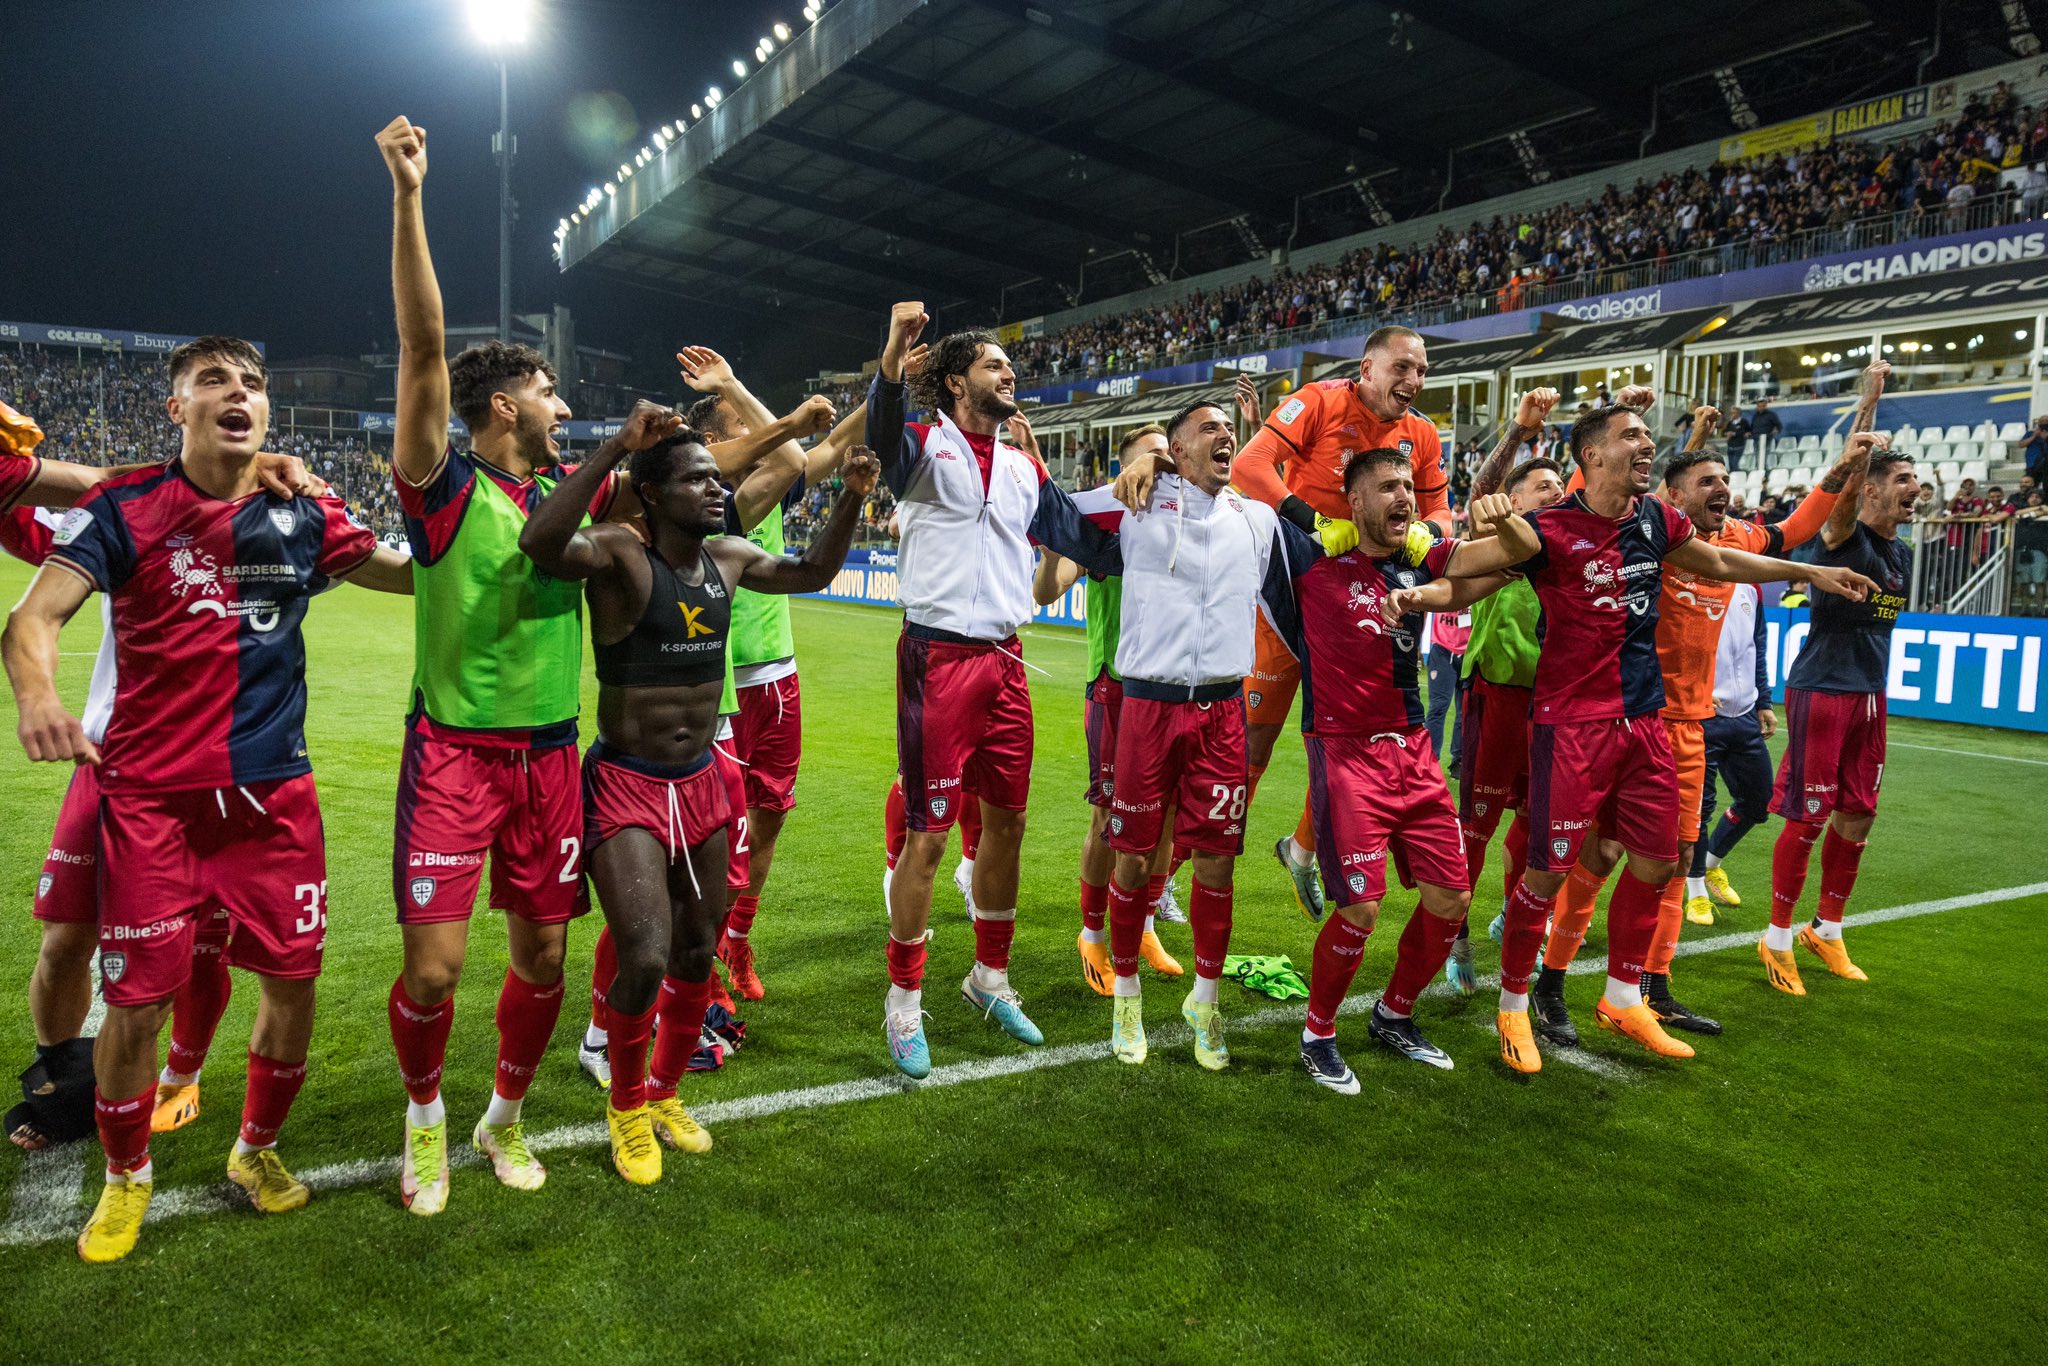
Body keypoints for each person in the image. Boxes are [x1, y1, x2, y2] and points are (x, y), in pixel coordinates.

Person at [376, 115, 818, 1214]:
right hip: (451, 754)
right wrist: (409, 194)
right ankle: (424, 1121)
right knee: (433, 971)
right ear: (500, 406)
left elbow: (699, 485)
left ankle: (503, 1119)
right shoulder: (443, 483)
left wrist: (785, 432)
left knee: (542, 965)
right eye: (547, 393)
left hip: (549, 759)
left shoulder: (574, 501)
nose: (564, 407)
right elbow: (424, 348)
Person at [3, 335, 414, 1263]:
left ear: (270, 414)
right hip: (150, 800)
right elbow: (33, 619)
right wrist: (39, 698)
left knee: (293, 984)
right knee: (137, 1003)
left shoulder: (305, 511)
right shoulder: (127, 505)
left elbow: (407, 573)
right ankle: (124, 1180)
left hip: (273, 798)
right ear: (176, 408)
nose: (241, 394)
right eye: (215, 382)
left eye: (255, 384)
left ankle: (254, 1152)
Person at [519, 408, 878, 1181]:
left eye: (718, 479)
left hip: (706, 781)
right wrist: (617, 448)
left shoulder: (731, 556)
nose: (716, 489)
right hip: (628, 783)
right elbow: (540, 543)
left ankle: (666, 1092)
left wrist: (849, 496)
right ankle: (625, 1109)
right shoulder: (618, 551)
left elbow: (813, 572)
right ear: (649, 493)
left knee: (695, 949)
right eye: (695, 479)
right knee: (644, 954)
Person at [1483, 401, 1877, 1074]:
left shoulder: (1664, 525)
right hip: (1576, 723)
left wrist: (1812, 572)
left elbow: (1736, 558)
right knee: (1562, 866)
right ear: (1593, 457)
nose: (1646, 442)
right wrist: (1418, 574)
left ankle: (1629, 994)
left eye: (1648, 436)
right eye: (1631, 436)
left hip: (1659, 721)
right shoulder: (1555, 527)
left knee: (1662, 860)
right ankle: (1522, 999)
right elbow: (1468, 565)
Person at [1, 400, 326, 1151]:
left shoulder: (268, 523)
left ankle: (182, 1075)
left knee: (203, 950)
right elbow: (17, 503)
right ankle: (64, 1085)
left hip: (225, 767)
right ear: (179, 412)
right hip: (115, 763)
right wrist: (115, 478)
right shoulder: (126, 510)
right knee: (63, 942)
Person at [865, 301, 1120, 1079]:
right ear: (952, 382)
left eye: (1010, 366)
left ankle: (990, 979)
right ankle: (903, 1004)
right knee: (930, 836)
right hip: (937, 660)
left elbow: (1084, 540)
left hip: (1007, 662)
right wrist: (889, 357)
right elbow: (878, 438)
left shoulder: (1022, 468)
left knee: (1006, 825)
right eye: (992, 365)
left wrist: (1149, 486)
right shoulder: (921, 444)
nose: (1010, 372)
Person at [1281, 462, 1538, 1088]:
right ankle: (1318, 1034)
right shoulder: (1308, 560)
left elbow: (1512, 558)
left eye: (1410, 488)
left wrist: (1499, 518)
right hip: (1343, 751)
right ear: (1354, 500)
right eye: (1390, 488)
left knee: (1451, 900)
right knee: (1361, 909)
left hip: (1415, 748)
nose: (1406, 498)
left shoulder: (1423, 560)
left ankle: (1394, 1013)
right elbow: (1258, 480)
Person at [1207, 326, 1451, 920]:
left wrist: (1432, 531)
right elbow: (1250, 464)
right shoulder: (1319, 400)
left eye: (1421, 370)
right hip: (1294, 592)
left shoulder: (1420, 434)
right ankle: (1201, 858)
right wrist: (1312, 521)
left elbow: (1442, 506)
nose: (1414, 381)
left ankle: (1302, 847)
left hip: (1366, 606)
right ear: (1366, 368)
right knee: (1253, 744)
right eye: (1402, 368)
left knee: (1351, 741)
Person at [684, 372, 871, 1000]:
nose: (752, 430)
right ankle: (701, 959)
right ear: (712, 441)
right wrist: (739, 391)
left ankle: (737, 939)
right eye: (739, 425)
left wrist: (893, 380)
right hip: (722, 692)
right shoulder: (699, 508)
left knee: (767, 819)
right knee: (720, 834)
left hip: (778, 679)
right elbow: (796, 448)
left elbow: (837, 440)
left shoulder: (775, 492)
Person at [1761, 447, 1919, 993]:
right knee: (1807, 817)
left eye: (1916, 479)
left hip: (1871, 695)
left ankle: (1826, 929)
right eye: (1903, 479)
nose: (1915, 487)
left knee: (1858, 815)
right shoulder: (1845, 538)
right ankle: (1777, 936)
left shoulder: (1903, 552)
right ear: (1870, 489)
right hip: (1824, 688)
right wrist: (1866, 415)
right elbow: (1840, 504)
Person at [1033, 427, 1184, 999]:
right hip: (1117, 690)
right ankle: (1092, 934)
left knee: (1166, 817)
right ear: (1128, 468)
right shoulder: (1105, 521)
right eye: (1154, 451)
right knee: (1109, 819)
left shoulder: (1185, 517)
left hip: (1174, 689)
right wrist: (1055, 544)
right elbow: (1048, 592)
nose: (1165, 458)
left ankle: (1144, 928)